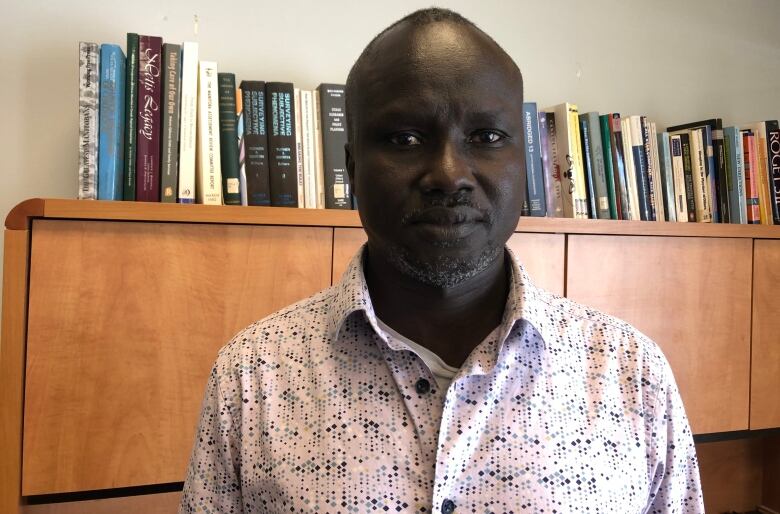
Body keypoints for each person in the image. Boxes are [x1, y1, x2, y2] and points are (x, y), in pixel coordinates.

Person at [180, 8, 704, 513]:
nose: (449, 174)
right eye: (405, 138)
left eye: (486, 137)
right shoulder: (252, 377)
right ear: (353, 167)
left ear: (525, 164)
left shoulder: (630, 371)